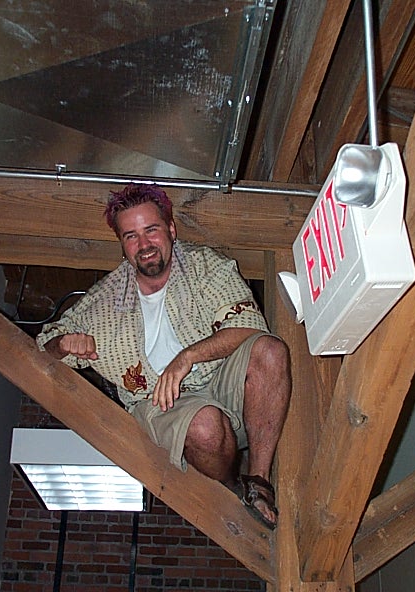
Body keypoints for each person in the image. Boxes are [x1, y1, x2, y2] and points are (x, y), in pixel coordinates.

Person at [37, 183, 291, 529]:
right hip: (163, 403)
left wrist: (187, 357)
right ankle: (233, 485)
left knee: (271, 350)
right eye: (131, 236)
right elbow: (46, 343)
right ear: (122, 245)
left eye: (151, 230)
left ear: (170, 229)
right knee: (204, 425)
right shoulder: (104, 299)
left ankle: (259, 480)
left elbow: (248, 325)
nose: (144, 245)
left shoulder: (204, 265)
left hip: (223, 378)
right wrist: (64, 344)